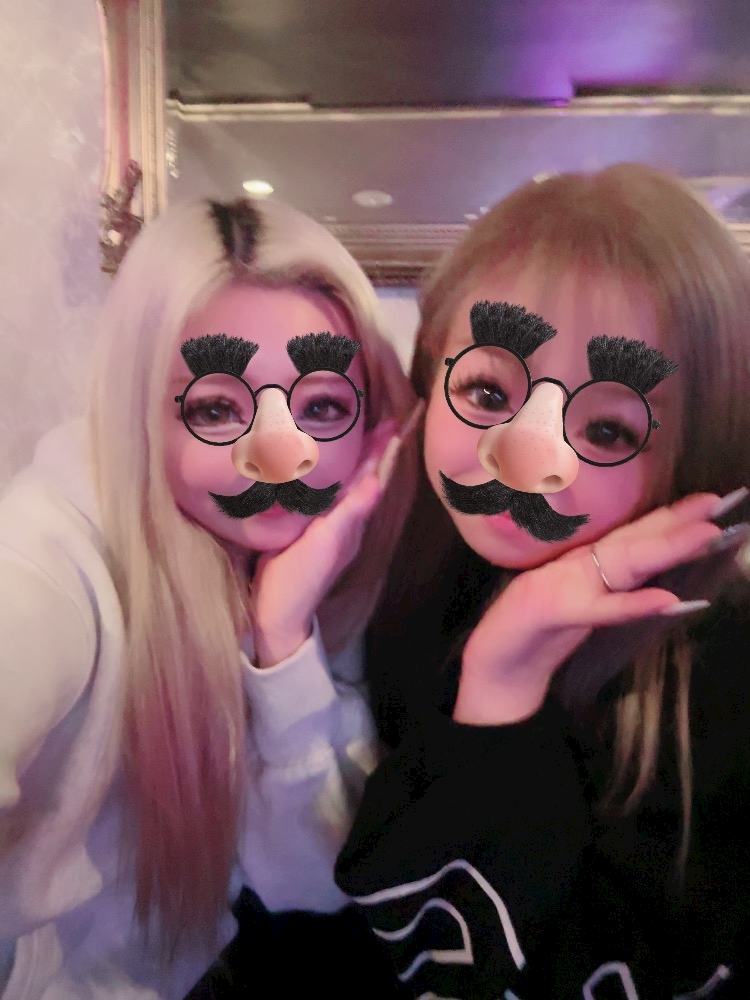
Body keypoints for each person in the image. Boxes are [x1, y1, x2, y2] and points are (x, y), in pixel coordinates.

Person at [335, 164, 750, 999]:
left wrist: (504, 681)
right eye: (489, 389)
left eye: (607, 429)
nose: (524, 460)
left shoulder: (721, 681)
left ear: (696, 456)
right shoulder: (412, 576)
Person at [0, 195, 418, 999]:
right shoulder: (50, 562)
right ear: (141, 412)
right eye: (218, 408)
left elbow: (309, 884)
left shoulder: (319, 561)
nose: (281, 455)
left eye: (323, 406)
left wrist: (282, 642)